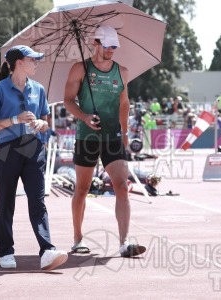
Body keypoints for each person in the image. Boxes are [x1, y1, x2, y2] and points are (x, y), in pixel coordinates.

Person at [64, 25, 146, 257]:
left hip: (113, 137)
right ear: (96, 43)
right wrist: (85, 116)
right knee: (82, 188)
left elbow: (124, 104)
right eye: (107, 46)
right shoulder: (79, 68)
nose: (111, 50)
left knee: (121, 186)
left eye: (114, 46)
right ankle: (77, 238)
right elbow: (68, 100)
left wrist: (125, 131)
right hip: (87, 136)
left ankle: (124, 242)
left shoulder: (122, 72)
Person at [0, 45, 68, 270]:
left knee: (38, 201)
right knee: (5, 202)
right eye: (33, 59)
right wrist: (14, 119)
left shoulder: (38, 89)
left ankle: (47, 250)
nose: (37, 62)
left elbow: (45, 121)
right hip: (7, 150)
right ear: (19, 62)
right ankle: (6, 251)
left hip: (34, 148)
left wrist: (42, 124)